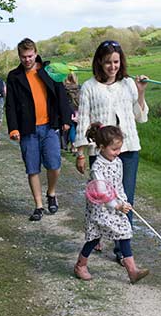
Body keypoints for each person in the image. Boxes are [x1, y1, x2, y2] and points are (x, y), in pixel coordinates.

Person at [74, 40, 149, 264]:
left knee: (126, 197)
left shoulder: (127, 84)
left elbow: (140, 115)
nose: (112, 66)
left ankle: (123, 251)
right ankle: (96, 236)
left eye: (116, 62)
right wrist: (80, 152)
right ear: (99, 62)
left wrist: (141, 92)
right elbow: (83, 120)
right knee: (102, 199)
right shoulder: (89, 87)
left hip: (128, 149)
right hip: (101, 151)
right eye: (108, 62)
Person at [5, 38, 72, 221]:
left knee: (54, 165)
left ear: (35, 53)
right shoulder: (14, 77)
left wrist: (66, 119)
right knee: (32, 168)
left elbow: (61, 96)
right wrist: (13, 129)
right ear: (19, 56)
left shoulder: (49, 71)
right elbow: (10, 105)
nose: (27, 59)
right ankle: (39, 205)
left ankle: (51, 192)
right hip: (27, 130)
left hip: (50, 127)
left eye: (30, 56)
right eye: (23, 57)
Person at [73, 123, 149, 283]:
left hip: (116, 205)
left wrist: (123, 200)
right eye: (114, 149)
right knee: (95, 237)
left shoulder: (117, 162)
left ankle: (132, 270)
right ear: (101, 147)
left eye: (119, 149)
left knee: (124, 232)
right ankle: (81, 265)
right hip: (101, 208)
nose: (118, 152)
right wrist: (117, 206)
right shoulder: (97, 167)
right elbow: (102, 193)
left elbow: (118, 184)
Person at [63, 72, 81, 154]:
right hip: (77, 110)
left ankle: (71, 144)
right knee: (76, 128)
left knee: (71, 127)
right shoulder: (78, 88)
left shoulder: (65, 88)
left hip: (68, 110)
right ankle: (75, 144)